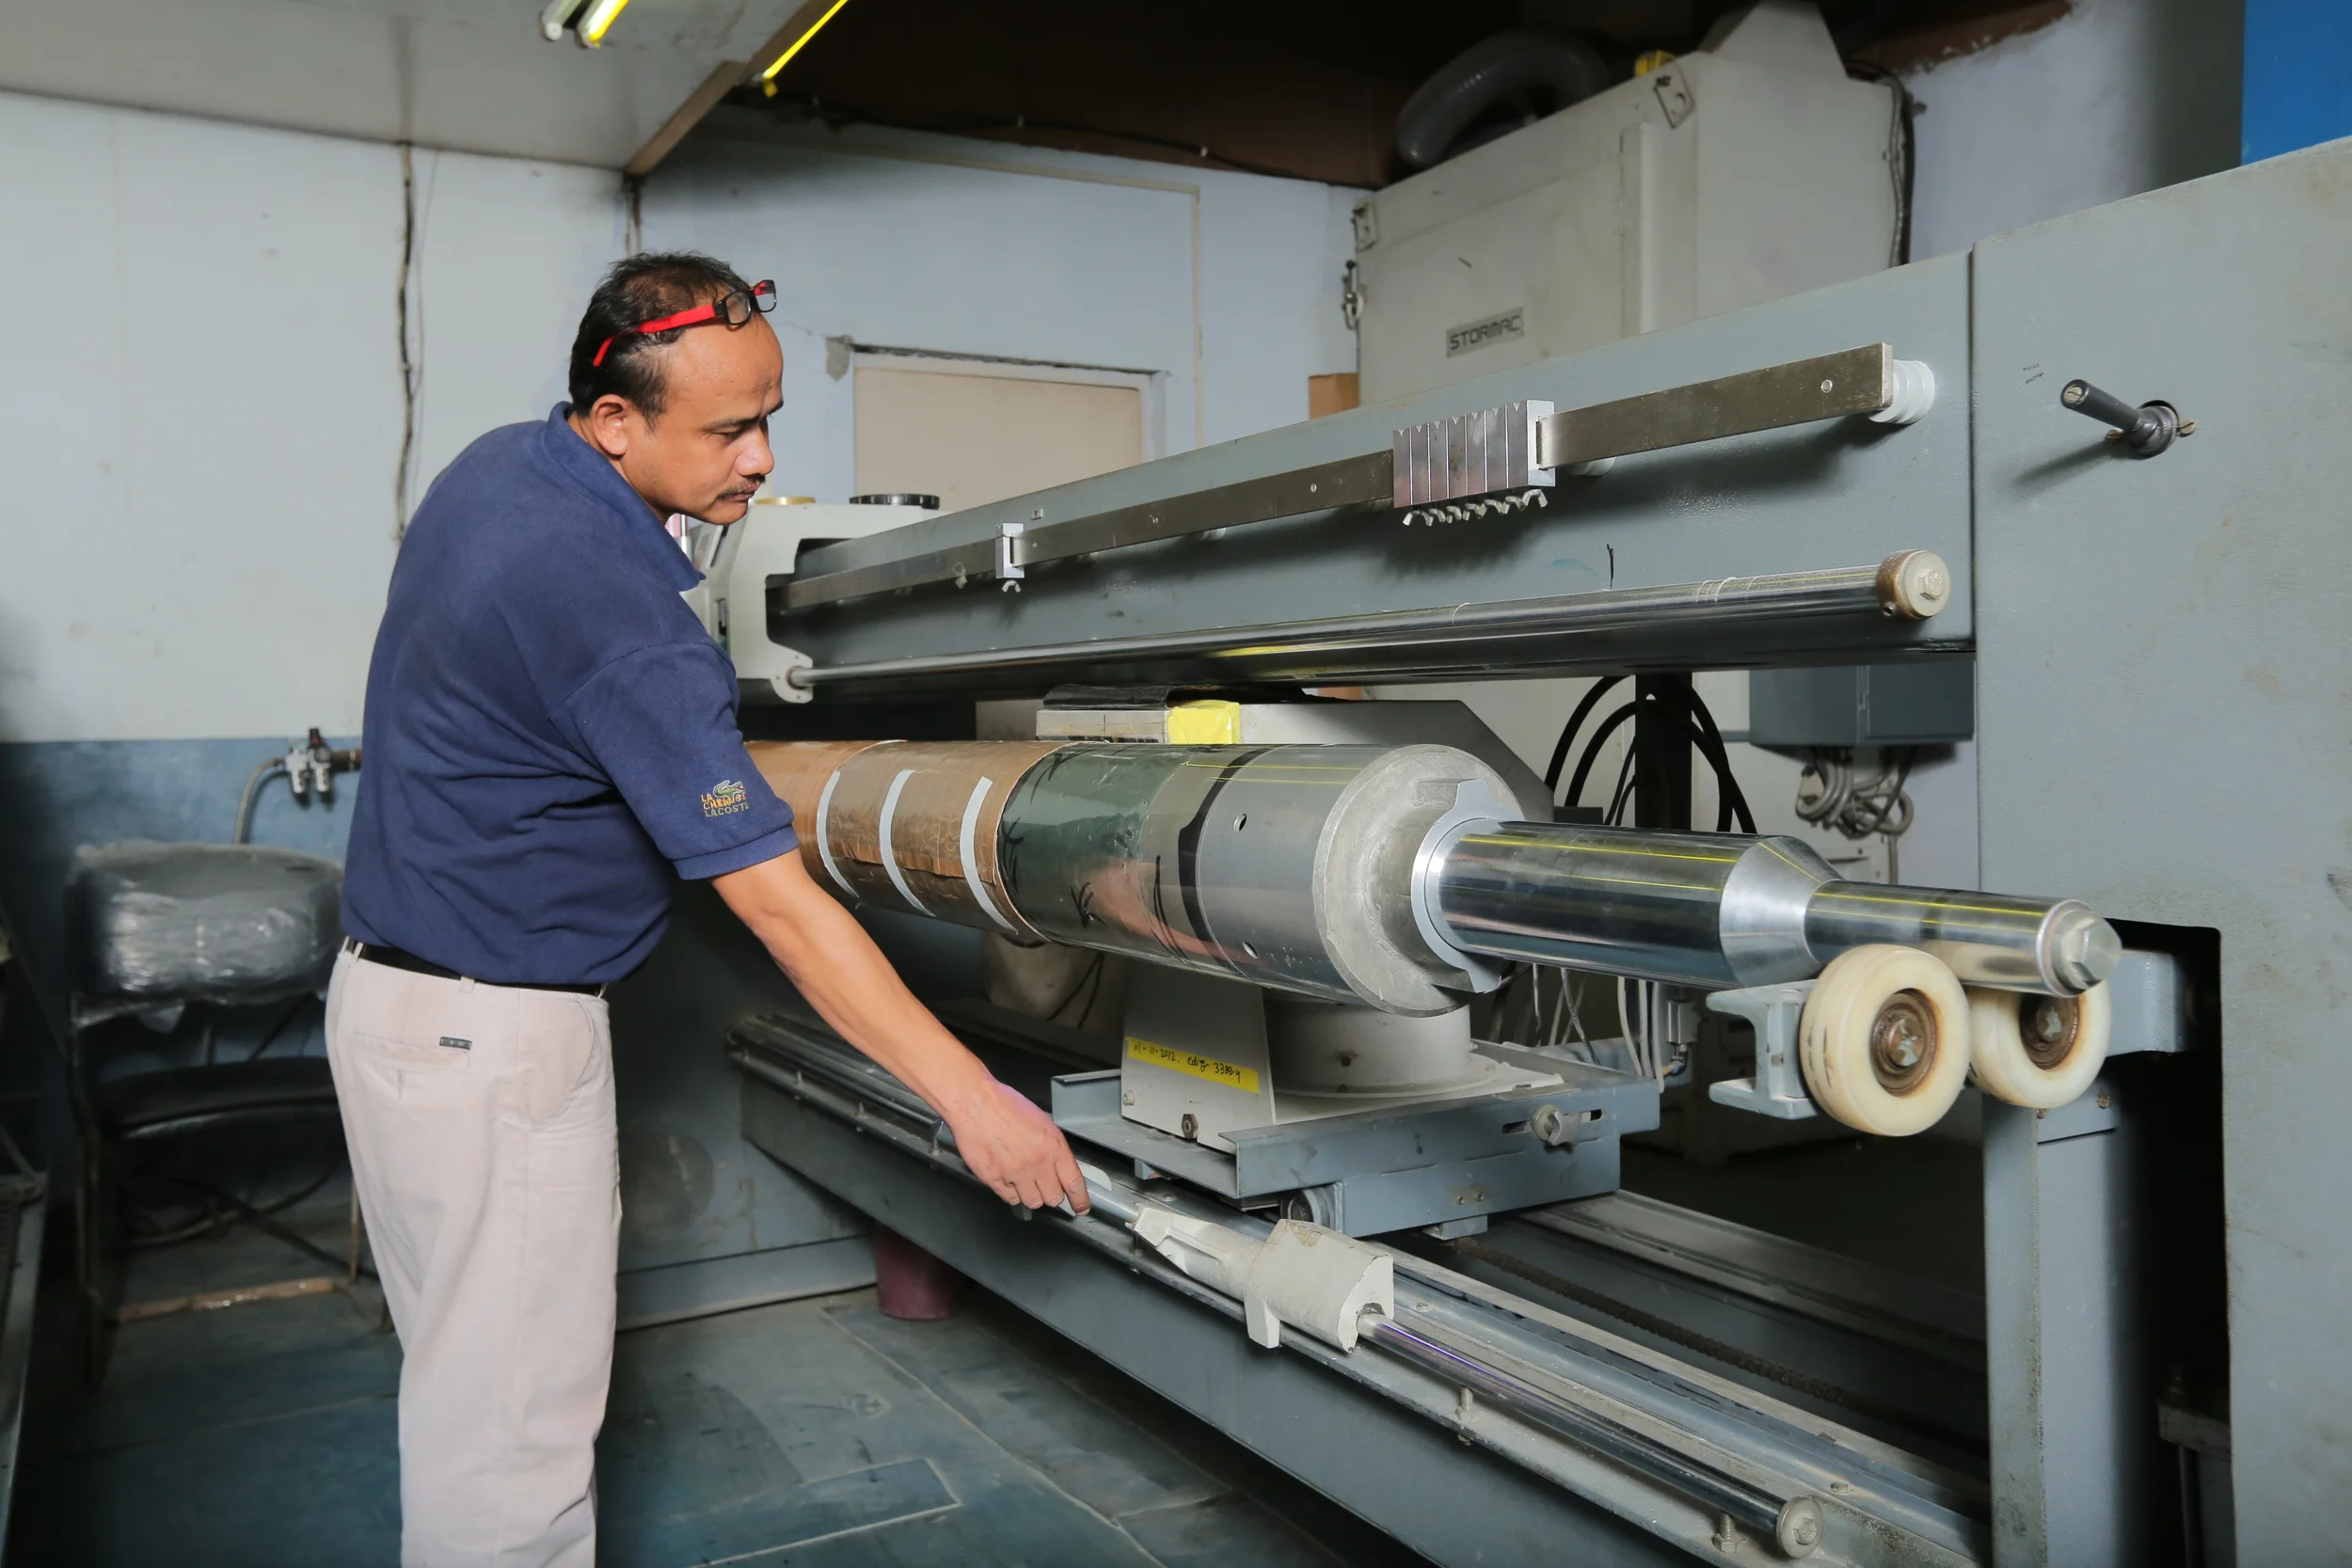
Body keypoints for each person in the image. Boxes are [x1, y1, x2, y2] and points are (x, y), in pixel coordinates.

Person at [329, 251, 1089, 1568]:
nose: (759, 458)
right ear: (615, 419)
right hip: (494, 1053)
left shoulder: (502, 466)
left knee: (467, 1399)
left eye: (769, 414)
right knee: (513, 1453)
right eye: (729, 429)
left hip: (399, 1010)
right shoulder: (617, 614)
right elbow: (782, 909)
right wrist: (977, 1102)